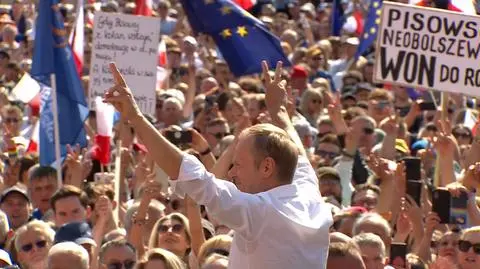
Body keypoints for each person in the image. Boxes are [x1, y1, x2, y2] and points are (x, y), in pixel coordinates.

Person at [104, 60, 332, 268]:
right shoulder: (308, 194)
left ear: (266, 167)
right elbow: (298, 153)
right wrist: (278, 111)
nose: (232, 173)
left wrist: (135, 117)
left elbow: (190, 174)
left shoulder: (260, 212)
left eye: (239, 165)